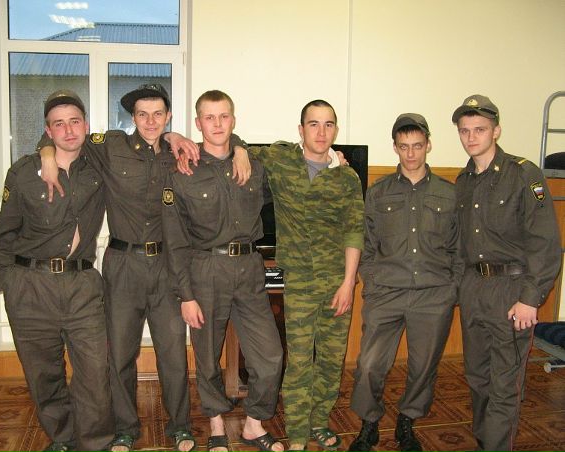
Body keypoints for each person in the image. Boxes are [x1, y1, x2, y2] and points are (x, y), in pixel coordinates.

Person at [38, 84, 198, 452]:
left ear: (169, 116)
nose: (150, 121)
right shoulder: (111, 146)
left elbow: (224, 143)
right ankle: (125, 427)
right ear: (133, 118)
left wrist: (178, 137)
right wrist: (46, 154)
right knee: (120, 355)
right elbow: (65, 137)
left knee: (173, 353)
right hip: (123, 265)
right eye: (142, 114)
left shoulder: (179, 153)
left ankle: (180, 426)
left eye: (158, 114)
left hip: (167, 267)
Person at [232, 100, 365, 452]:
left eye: (328, 124)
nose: (321, 132)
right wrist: (241, 151)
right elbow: (239, 143)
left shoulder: (347, 178)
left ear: (336, 130)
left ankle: (319, 422)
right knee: (301, 360)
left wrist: (348, 284)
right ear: (300, 129)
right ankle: (298, 433)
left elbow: (354, 232)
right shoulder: (281, 160)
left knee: (331, 360)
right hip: (301, 282)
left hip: (336, 281)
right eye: (313, 124)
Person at [0, 90, 114, 452]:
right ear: (48, 130)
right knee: (43, 374)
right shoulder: (23, 172)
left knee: (95, 372)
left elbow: (145, 140)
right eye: (59, 124)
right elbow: (4, 233)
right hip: (30, 286)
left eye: (75, 121)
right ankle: (62, 438)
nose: (68, 130)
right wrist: (12, 283)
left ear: (86, 125)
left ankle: (96, 443)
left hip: (81, 284)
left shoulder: (100, 165)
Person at [162, 90, 284, 452]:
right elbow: (174, 240)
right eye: (209, 117)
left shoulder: (254, 166)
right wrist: (186, 295)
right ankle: (216, 424)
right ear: (198, 123)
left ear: (233, 120)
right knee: (207, 355)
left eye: (224, 116)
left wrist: (242, 148)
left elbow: (296, 156)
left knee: (271, 355)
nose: (217, 124)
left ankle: (253, 424)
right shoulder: (182, 171)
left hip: (249, 268)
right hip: (205, 269)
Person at [348, 114, 463, 452]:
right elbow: (367, 243)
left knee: (423, 366)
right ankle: (369, 422)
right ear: (395, 148)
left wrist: (452, 289)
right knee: (369, 365)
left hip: (434, 295)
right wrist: (371, 282)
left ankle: (407, 420)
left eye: (417, 146)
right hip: (386, 293)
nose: (411, 154)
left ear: (428, 145)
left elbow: (459, 247)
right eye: (404, 147)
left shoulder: (449, 194)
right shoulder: (378, 192)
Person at [452, 94, 561, 452]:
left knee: (504, 384)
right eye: (464, 130)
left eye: (480, 129)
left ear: (496, 131)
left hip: (512, 291)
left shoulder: (523, 173)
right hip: (474, 289)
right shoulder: (463, 180)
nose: (471, 137)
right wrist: (460, 289)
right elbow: (461, 244)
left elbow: (545, 243)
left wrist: (530, 298)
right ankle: (486, 441)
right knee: (477, 378)